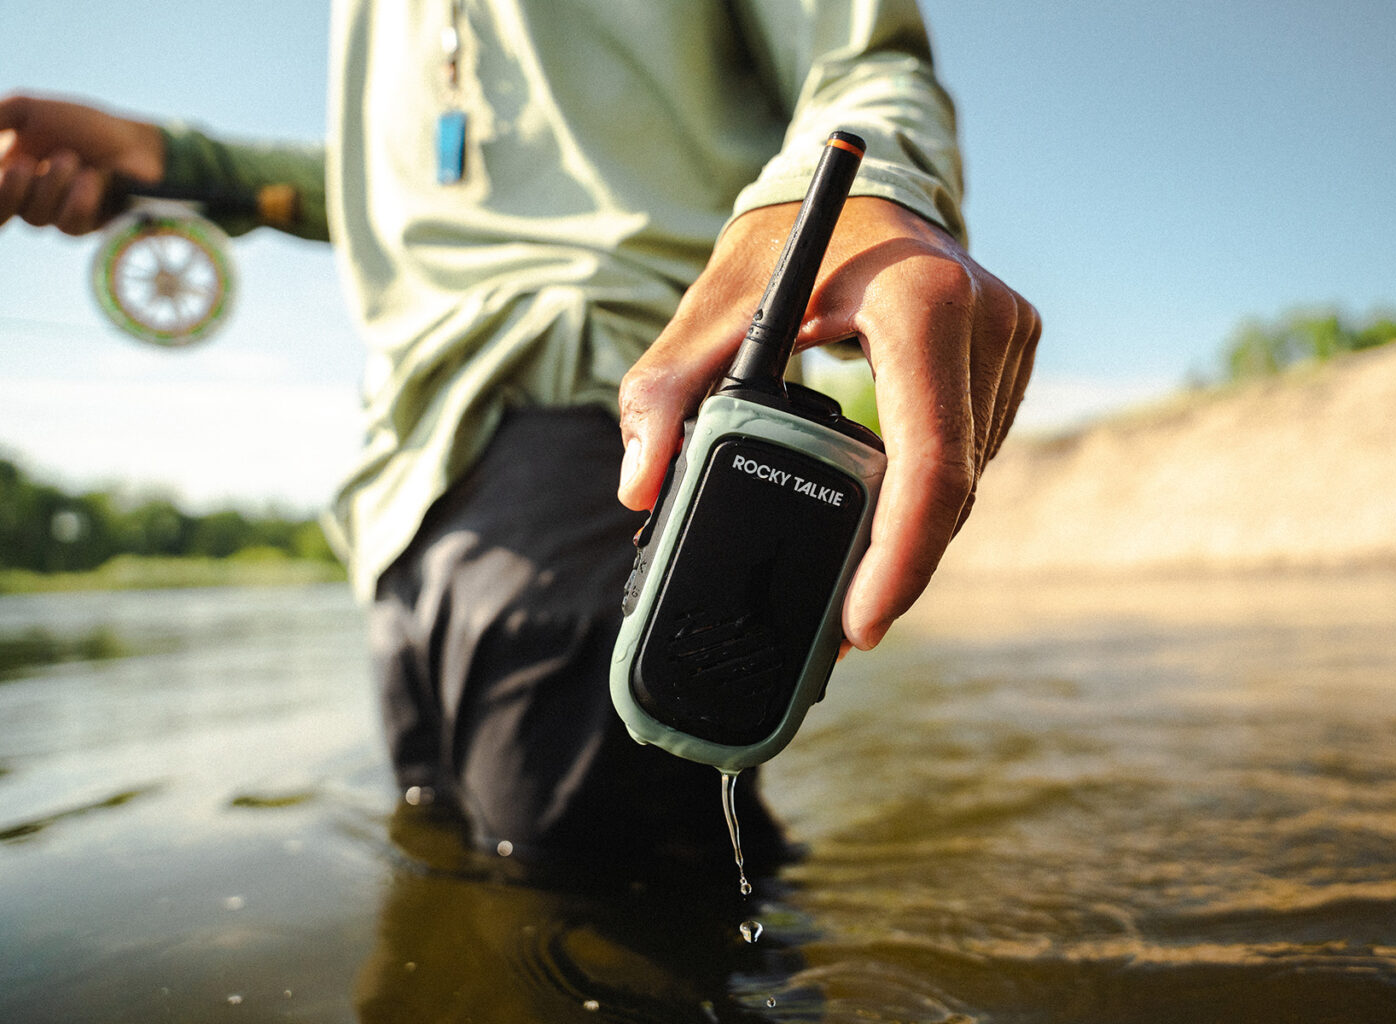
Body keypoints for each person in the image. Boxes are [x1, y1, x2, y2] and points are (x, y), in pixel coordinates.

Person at [0, 0, 1039, 872]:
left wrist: (877, 187)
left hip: (615, 421)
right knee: (467, 883)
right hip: (400, 486)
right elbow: (402, 196)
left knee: (610, 925)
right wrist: (169, 161)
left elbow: (867, 59)